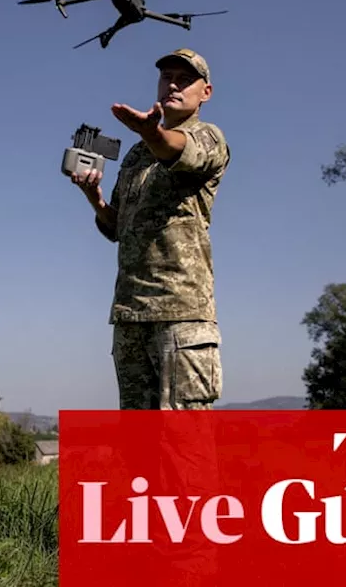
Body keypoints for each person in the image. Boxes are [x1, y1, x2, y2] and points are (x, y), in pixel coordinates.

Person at [70, 47, 231, 410]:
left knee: (184, 442)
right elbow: (116, 229)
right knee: (139, 445)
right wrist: (94, 198)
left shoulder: (209, 137)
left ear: (206, 92)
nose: (173, 85)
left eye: (184, 79)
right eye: (166, 77)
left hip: (181, 312)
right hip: (130, 313)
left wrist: (153, 132)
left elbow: (177, 149)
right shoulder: (137, 154)